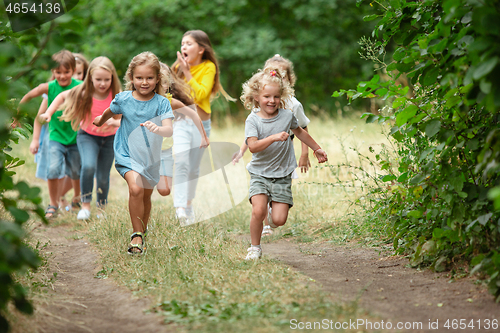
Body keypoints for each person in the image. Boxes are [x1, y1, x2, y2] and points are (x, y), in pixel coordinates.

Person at [241, 68, 328, 260]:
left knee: (279, 220)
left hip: (282, 174)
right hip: (260, 173)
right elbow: (253, 147)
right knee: (258, 210)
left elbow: (300, 132)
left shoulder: (287, 116)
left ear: (282, 97)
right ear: (256, 96)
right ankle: (254, 248)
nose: (272, 101)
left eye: (276, 96)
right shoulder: (253, 120)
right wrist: (272, 138)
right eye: (267, 96)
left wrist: (316, 148)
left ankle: (271, 213)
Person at [93, 51, 174, 254]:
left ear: (157, 79)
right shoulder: (124, 99)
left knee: (146, 197)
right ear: (132, 78)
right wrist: (100, 121)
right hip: (126, 153)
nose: (144, 82)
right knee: (136, 189)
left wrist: (158, 129)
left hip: (150, 158)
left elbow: (169, 129)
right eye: (139, 78)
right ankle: (136, 235)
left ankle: (142, 232)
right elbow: (110, 111)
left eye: (149, 78)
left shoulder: (162, 103)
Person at [233, 54, 312, 236]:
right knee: (260, 203)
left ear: (288, 80)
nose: (275, 77)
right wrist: (242, 150)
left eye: (281, 75)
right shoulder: (258, 109)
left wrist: (306, 153)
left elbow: (302, 129)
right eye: (270, 73)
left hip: (283, 155)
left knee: (279, 213)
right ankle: (262, 228)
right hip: (263, 160)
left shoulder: (293, 105)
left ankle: (273, 214)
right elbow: (252, 138)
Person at [41, 56, 122, 220]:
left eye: (107, 79)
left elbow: (124, 117)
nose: (102, 83)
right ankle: (85, 205)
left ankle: (101, 208)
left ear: (112, 78)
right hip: (88, 137)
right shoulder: (84, 92)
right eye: (98, 79)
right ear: (90, 77)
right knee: (88, 166)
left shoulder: (117, 94)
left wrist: (115, 121)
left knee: (103, 176)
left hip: (109, 139)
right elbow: (61, 97)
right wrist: (49, 113)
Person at [171, 29, 234, 224]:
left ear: (201, 49)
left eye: (188, 44)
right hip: (181, 122)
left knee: (193, 168)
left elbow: (200, 95)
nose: (184, 47)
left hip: (202, 125)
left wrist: (188, 73)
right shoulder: (176, 68)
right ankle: (179, 207)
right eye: (182, 44)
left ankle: (188, 204)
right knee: (181, 160)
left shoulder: (208, 68)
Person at [20, 50, 83, 218]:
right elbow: (29, 95)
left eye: (66, 72)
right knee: (53, 169)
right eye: (58, 72)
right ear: (53, 71)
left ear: (73, 69)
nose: (62, 76)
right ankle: (53, 204)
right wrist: (18, 114)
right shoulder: (49, 88)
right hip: (56, 137)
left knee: (76, 171)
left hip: (76, 137)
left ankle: (77, 199)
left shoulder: (79, 86)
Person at [157, 63, 209, 202]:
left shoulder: (170, 102)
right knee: (143, 189)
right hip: (145, 151)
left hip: (164, 151)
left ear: (169, 85)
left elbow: (193, 114)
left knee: (165, 190)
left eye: (165, 83)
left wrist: (203, 137)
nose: (161, 86)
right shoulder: (140, 100)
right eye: (158, 82)